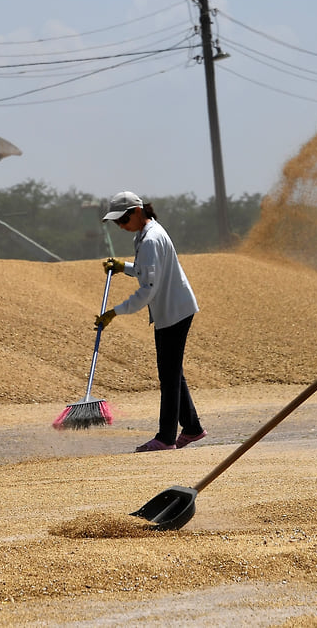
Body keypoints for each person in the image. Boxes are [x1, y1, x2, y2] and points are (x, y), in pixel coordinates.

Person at [95, 191, 207, 452]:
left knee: (168, 375)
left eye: (123, 220)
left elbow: (148, 289)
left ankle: (166, 438)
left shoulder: (151, 239)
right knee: (172, 371)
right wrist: (124, 266)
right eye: (117, 223)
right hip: (171, 309)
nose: (121, 227)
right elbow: (148, 270)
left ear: (136, 211)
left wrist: (115, 312)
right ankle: (192, 428)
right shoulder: (145, 236)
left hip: (174, 311)